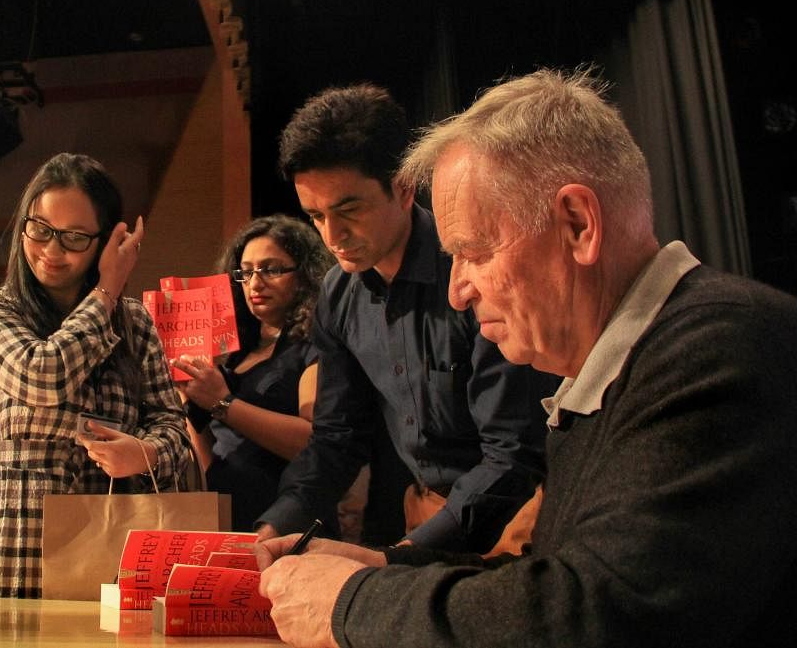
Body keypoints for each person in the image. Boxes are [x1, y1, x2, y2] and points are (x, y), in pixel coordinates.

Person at [255, 68, 797, 648]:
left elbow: (594, 612)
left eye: (475, 252)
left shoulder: (719, 349)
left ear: (577, 224)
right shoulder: (627, 368)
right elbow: (558, 582)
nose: (458, 290)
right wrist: (384, 568)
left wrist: (354, 602)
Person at [256, 83, 556, 554]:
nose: (333, 235)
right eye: (315, 215)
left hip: (520, 513)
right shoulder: (339, 292)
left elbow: (514, 456)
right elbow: (337, 440)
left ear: (403, 185)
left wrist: (398, 560)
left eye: (348, 209)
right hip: (427, 511)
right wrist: (273, 529)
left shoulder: (472, 269)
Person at [0, 152, 192, 600]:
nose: (52, 251)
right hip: (7, 528)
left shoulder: (133, 322)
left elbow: (173, 426)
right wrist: (107, 290)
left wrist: (146, 452)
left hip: (107, 523)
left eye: (74, 237)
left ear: (108, 240)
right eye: (40, 229)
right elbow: (43, 377)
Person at [172, 214, 334, 532]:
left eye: (271, 270)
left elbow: (317, 442)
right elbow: (211, 453)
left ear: (304, 274)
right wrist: (188, 397)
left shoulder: (317, 343)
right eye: (246, 273)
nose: (255, 284)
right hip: (225, 514)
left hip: (286, 520)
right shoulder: (233, 351)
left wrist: (223, 403)